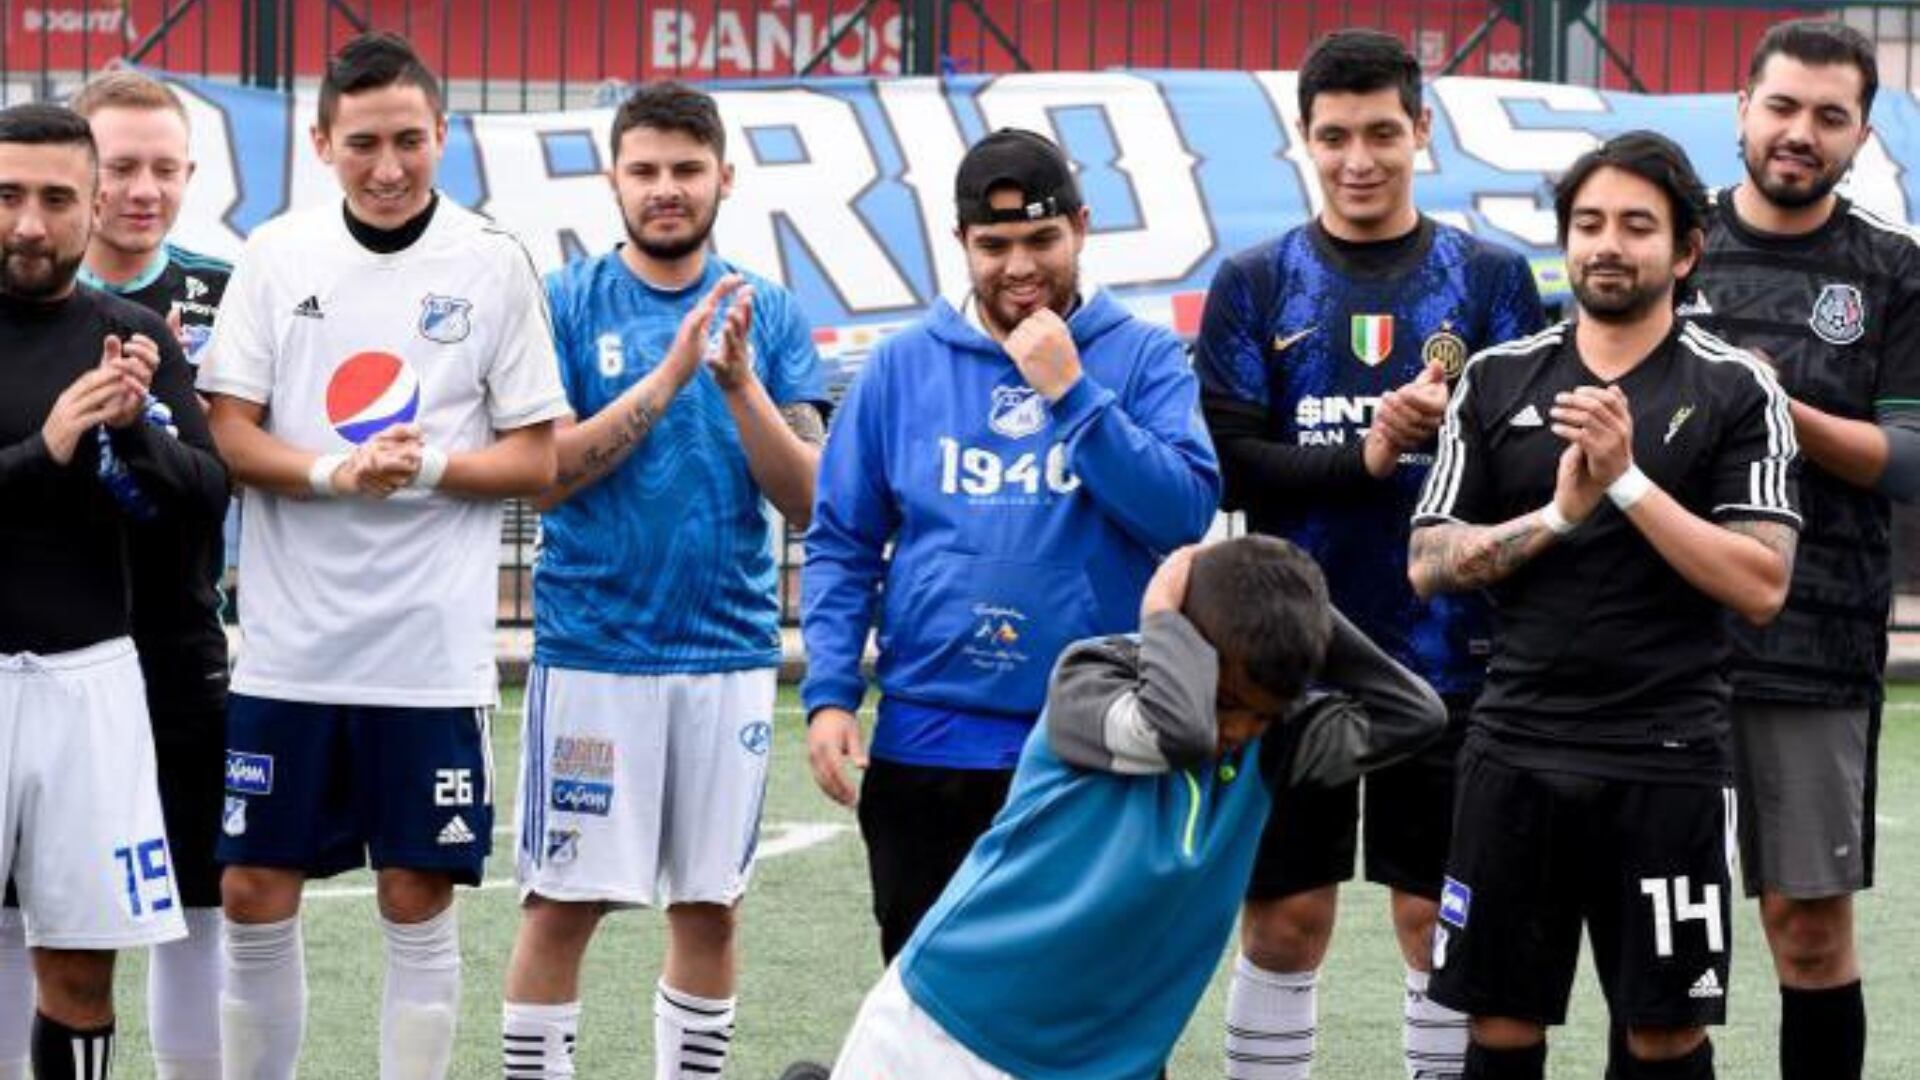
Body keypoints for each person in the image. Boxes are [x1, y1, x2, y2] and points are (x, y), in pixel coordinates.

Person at [195, 32, 567, 1080]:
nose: (390, 166)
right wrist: (333, 475)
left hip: (428, 655)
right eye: (364, 144)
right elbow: (230, 431)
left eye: (411, 139)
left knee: (416, 892)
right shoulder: (280, 254)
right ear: (322, 143)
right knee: (253, 889)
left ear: (444, 135)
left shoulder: (492, 263)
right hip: (290, 650)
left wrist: (429, 467)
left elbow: (536, 456)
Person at [1407, 131, 1801, 1080]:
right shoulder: (1498, 381)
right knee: (1499, 1024)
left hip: (1668, 759)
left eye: (1636, 225)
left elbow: (1761, 582)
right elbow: (1427, 560)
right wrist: (1558, 514)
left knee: (1663, 1032)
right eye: (1588, 224)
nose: (1608, 245)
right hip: (1516, 747)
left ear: (1686, 251)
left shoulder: (1735, 388)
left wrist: (1626, 484)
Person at [1193, 30, 1545, 1080]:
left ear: (1422, 132)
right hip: (1288, 659)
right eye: (1335, 135)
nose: (1360, 157)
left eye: (1383, 132)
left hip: (1451, 655)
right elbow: (1232, 467)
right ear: (1303, 140)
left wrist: (1445, 447)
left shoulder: (1488, 279)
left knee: (1434, 916)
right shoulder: (1256, 283)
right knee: (1285, 922)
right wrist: (1370, 453)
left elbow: (1524, 465)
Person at [801, 126, 1221, 962]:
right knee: (929, 1005)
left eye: (1041, 239)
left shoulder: (1140, 359)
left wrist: (1073, 393)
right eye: (994, 245)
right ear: (961, 243)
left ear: (1082, 227)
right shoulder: (898, 367)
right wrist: (829, 693)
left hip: (1097, 739)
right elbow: (843, 542)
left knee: (1095, 1008)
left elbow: (1183, 514)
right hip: (929, 740)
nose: (1020, 267)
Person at [828, 536, 1447, 1079]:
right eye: (1229, 700)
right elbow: (1178, 734)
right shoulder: (1091, 678)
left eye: (1262, 713)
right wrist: (1161, 612)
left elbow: (1416, 715)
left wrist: (1297, 607)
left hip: (1105, 1064)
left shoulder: (1274, 744)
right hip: (949, 1032)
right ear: (1186, 638)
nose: (1240, 728)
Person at [500, 82, 827, 1080]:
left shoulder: (767, 313)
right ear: (613, 180)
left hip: (726, 654)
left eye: (687, 169)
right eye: (645, 170)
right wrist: (670, 375)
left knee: (710, 907)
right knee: (565, 903)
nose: (666, 189)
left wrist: (737, 386)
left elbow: (810, 496)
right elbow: (544, 481)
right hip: (595, 652)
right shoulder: (564, 302)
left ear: (724, 177)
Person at [1677, 21, 1920, 1080]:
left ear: (1863, 134)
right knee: (1665, 946)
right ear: (1741, 109)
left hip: (1816, 651)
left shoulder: (1892, 270)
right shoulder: (1669, 242)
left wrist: (1773, 402)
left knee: (1809, 935)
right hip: (1662, 650)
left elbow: (1908, 460)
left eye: (1829, 116)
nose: (1798, 133)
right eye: (1781, 107)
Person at [0, 101, 227, 1080]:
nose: (29, 223)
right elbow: (41, 463)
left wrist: (135, 431)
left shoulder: (133, 334)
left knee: (80, 965)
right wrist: (47, 449)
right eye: (8, 195)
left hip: (92, 683)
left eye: (56, 198)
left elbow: (206, 496)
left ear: (92, 209)